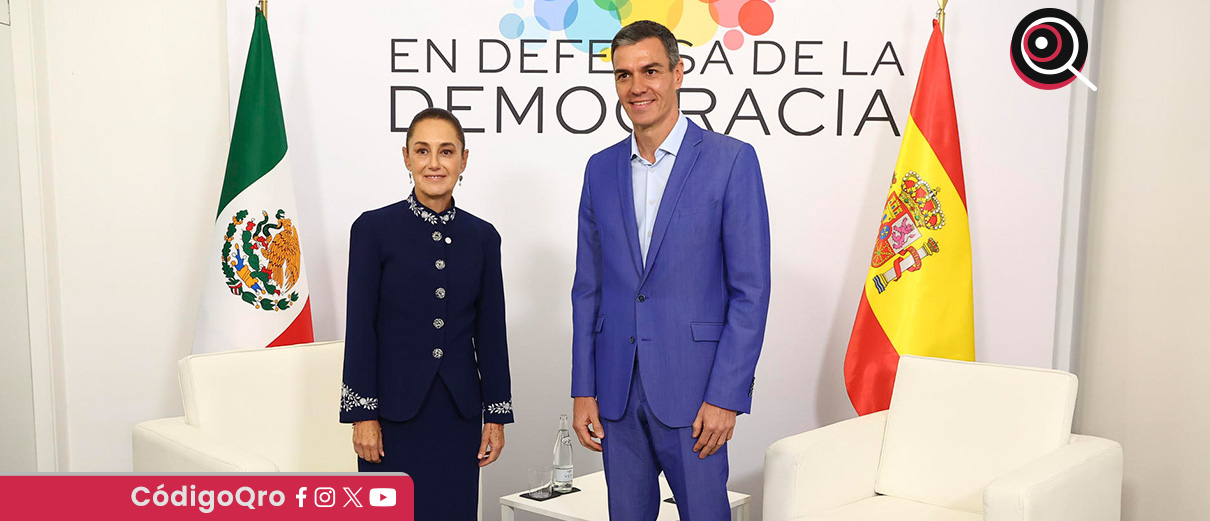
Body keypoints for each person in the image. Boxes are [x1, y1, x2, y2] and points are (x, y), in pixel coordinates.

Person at [570, 20, 772, 521]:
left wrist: (727, 395)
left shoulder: (731, 161)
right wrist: (583, 388)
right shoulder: (600, 168)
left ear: (678, 74)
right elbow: (587, 289)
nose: (636, 87)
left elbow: (751, 291)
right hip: (617, 393)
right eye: (623, 75)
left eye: (651, 71)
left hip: (697, 395)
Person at [341, 108, 513, 520]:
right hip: (391, 416)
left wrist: (496, 413)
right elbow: (360, 327)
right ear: (406, 157)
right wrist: (362, 413)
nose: (434, 163)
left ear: (463, 160)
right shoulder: (373, 229)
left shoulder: (483, 237)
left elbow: (491, 331)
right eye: (423, 151)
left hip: (458, 414)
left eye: (446, 152)